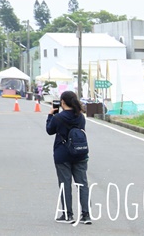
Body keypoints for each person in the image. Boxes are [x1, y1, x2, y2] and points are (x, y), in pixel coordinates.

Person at [45, 90, 91, 224]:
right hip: (80, 153)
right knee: (82, 184)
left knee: (65, 184)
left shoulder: (58, 118)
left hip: (62, 154)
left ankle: (67, 214)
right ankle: (86, 214)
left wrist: (50, 115)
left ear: (62, 102)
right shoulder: (80, 117)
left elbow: (49, 130)